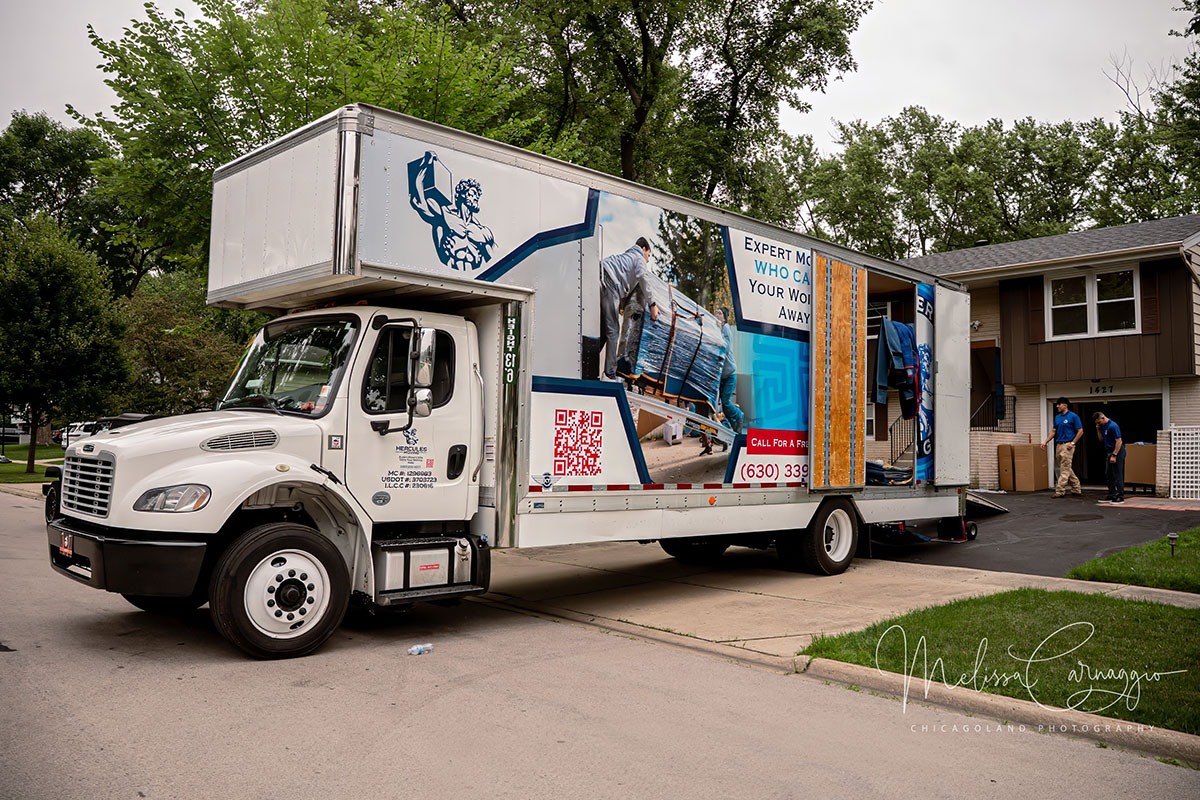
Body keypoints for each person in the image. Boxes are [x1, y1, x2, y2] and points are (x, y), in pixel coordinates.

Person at [408, 150, 495, 271]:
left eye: (477, 195)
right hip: (449, 271)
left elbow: (494, 262)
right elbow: (419, 201)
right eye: (473, 193)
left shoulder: (484, 232)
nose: (476, 198)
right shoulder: (446, 215)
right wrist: (425, 166)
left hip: (475, 280)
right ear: (463, 194)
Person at [599, 237, 658, 381]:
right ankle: (610, 374)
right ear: (643, 249)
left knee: (603, 329)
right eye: (648, 255)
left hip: (601, 274)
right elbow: (643, 278)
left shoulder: (628, 256)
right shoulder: (639, 258)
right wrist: (653, 304)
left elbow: (626, 280)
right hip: (609, 281)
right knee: (613, 330)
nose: (648, 260)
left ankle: (588, 362)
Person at [1040, 397, 1082, 497]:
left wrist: (1072, 443)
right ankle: (1076, 488)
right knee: (1066, 467)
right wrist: (1045, 442)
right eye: (1057, 404)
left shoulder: (1073, 416)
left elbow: (1080, 431)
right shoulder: (1057, 417)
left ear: (1065, 405)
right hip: (1058, 445)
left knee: (1064, 469)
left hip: (1068, 445)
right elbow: (1054, 431)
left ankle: (1060, 490)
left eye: (1059, 404)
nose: (1057, 406)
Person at [717, 307, 743, 433]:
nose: (717, 314)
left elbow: (725, 348)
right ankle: (735, 426)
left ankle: (739, 415)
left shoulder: (726, 328)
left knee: (726, 403)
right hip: (724, 376)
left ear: (724, 317)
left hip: (730, 374)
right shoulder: (721, 329)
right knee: (724, 406)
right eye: (717, 312)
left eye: (720, 313)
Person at [1093, 411, 1125, 505]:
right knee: (1109, 473)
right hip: (1109, 451)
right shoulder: (1104, 427)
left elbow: (1119, 441)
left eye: (1099, 422)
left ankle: (1120, 496)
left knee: (1117, 473)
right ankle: (1112, 494)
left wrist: (1115, 455)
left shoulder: (1113, 426)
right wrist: (1098, 429)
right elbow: (1101, 439)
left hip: (1117, 451)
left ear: (1103, 418)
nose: (1099, 424)